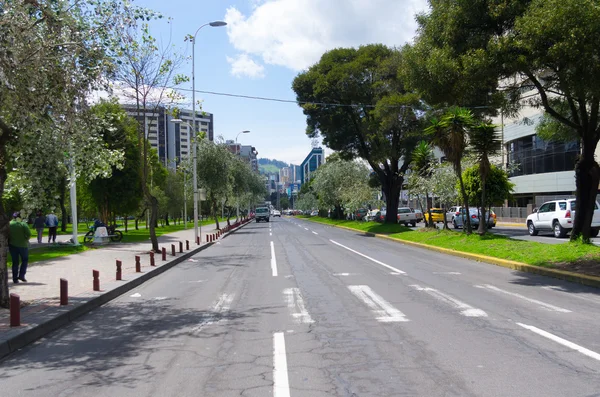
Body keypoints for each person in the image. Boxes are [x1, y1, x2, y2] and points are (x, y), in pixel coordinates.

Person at [9, 212, 31, 283]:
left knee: (15, 262)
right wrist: (26, 239)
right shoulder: (23, 224)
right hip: (23, 245)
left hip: (12, 245)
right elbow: (29, 234)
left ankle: (15, 278)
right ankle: (21, 275)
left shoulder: (9, 224)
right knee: (24, 260)